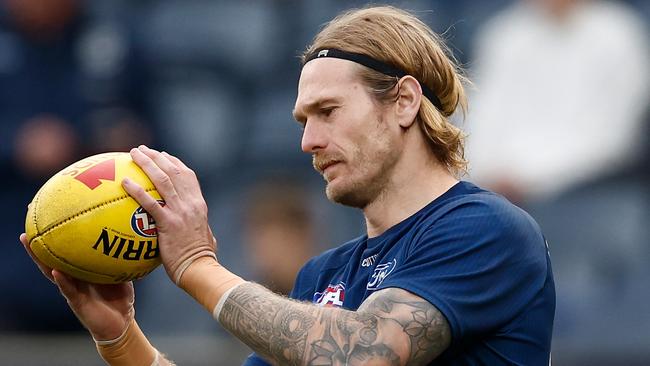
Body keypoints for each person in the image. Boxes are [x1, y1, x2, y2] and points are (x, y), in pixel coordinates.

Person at [20, 6, 555, 365]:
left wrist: (196, 266)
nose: (308, 142)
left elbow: (364, 355)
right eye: (303, 121)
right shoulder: (323, 275)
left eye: (327, 112)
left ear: (405, 102)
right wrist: (121, 339)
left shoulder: (488, 228)